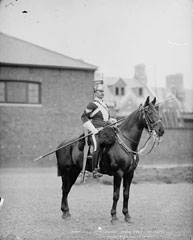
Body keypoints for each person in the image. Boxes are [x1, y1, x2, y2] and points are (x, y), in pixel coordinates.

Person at [81, 83, 116, 177]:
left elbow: (106, 119)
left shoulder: (105, 104)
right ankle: (94, 170)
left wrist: (111, 120)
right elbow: (84, 117)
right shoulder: (91, 105)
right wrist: (93, 129)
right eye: (100, 91)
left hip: (106, 131)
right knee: (97, 147)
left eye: (103, 91)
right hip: (95, 131)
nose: (102, 93)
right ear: (95, 92)